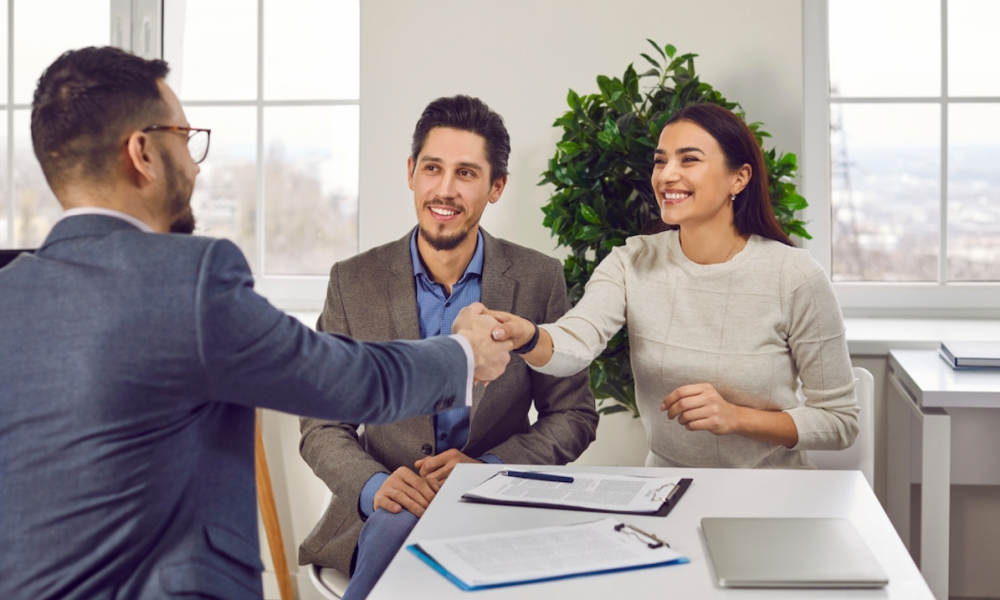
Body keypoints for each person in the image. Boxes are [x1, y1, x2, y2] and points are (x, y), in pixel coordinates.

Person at [0, 47, 512, 600]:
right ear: (143, 152)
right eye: (185, 138)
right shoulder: (187, 279)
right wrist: (464, 354)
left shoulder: (11, 290)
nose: (196, 164)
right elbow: (345, 379)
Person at [298, 95, 598, 599]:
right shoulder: (353, 282)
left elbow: (573, 415)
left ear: (496, 186)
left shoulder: (537, 279)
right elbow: (322, 423)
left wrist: (489, 470)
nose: (444, 189)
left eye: (466, 173)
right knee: (398, 521)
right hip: (381, 513)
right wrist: (377, 487)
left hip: (494, 504)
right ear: (411, 172)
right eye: (433, 168)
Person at [486, 103, 859, 470]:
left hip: (768, 495)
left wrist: (737, 418)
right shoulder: (631, 261)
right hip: (666, 490)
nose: (666, 175)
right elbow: (578, 340)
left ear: (739, 178)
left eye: (689, 159)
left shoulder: (794, 276)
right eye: (661, 161)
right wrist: (527, 335)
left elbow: (840, 422)